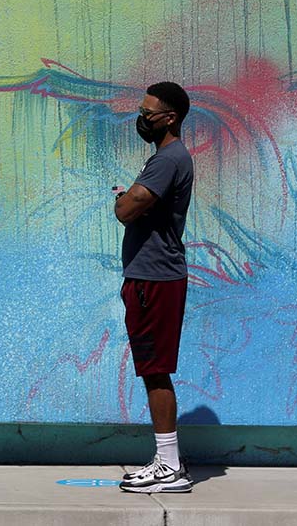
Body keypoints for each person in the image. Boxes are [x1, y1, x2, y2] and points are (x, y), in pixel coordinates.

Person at [114, 82, 194, 493]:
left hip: (155, 279)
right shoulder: (165, 158)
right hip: (152, 277)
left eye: (149, 112)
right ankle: (167, 461)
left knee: (155, 370)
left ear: (170, 117)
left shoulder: (167, 160)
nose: (142, 118)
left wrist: (122, 200)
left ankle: (169, 467)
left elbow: (128, 209)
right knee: (153, 369)